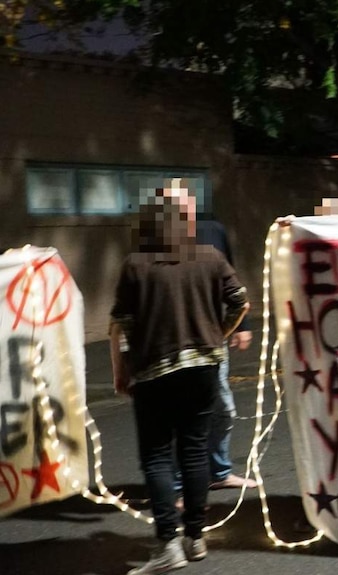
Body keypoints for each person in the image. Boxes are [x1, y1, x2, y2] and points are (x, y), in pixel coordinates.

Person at [110, 183, 250, 575]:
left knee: (156, 456)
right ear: (185, 222)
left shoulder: (136, 264)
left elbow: (121, 325)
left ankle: (168, 544)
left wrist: (122, 370)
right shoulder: (209, 257)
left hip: (154, 372)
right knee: (193, 451)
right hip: (203, 368)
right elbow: (241, 301)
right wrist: (219, 333)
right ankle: (195, 537)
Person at [186, 214, 256, 492]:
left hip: (214, 336)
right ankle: (180, 485)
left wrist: (240, 326)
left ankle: (219, 471)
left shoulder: (213, 230)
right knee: (185, 412)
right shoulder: (155, 239)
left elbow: (232, 280)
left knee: (222, 408)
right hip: (174, 342)